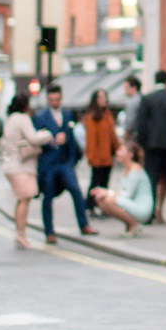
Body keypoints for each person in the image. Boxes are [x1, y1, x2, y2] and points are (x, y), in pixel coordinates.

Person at [34, 84, 97, 245]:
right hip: (48, 164)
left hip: (65, 163)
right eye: (51, 99)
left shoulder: (68, 114)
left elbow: (71, 137)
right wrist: (52, 141)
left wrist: (71, 159)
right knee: (48, 197)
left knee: (76, 191)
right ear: (48, 99)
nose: (54, 102)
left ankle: (84, 224)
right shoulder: (40, 117)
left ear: (61, 98)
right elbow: (36, 140)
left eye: (56, 99)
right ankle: (49, 232)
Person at [0, 93, 53, 248]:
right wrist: (48, 134)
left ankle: (19, 232)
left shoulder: (10, 120)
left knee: (20, 199)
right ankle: (20, 234)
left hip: (11, 164)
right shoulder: (22, 119)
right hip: (21, 166)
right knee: (24, 199)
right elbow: (33, 138)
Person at [134, 70, 166, 224]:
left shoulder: (148, 99)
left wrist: (141, 144)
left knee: (152, 179)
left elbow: (141, 124)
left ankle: (149, 213)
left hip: (153, 145)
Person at [89, 137, 153, 235]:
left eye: (121, 150)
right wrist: (104, 191)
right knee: (101, 200)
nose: (117, 153)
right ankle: (129, 225)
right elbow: (123, 192)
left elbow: (127, 194)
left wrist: (107, 193)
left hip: (142, 209)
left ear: (130, 155)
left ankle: (134, 225)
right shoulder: (126, 169)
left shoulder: (135, 170)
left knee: (109, 200)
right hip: (133, 204)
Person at [79, 91, 118, 193]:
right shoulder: (92, 117)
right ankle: (91, 205)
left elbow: (113, 135)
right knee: (96, 182)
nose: (104, 100)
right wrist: (92, 157)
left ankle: (101, 205)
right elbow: (91, 139)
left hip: (108, 155)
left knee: (105, 182)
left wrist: (117, 149)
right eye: (100, 98)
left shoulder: (107, 114)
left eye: (105, 97)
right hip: (98, 156)